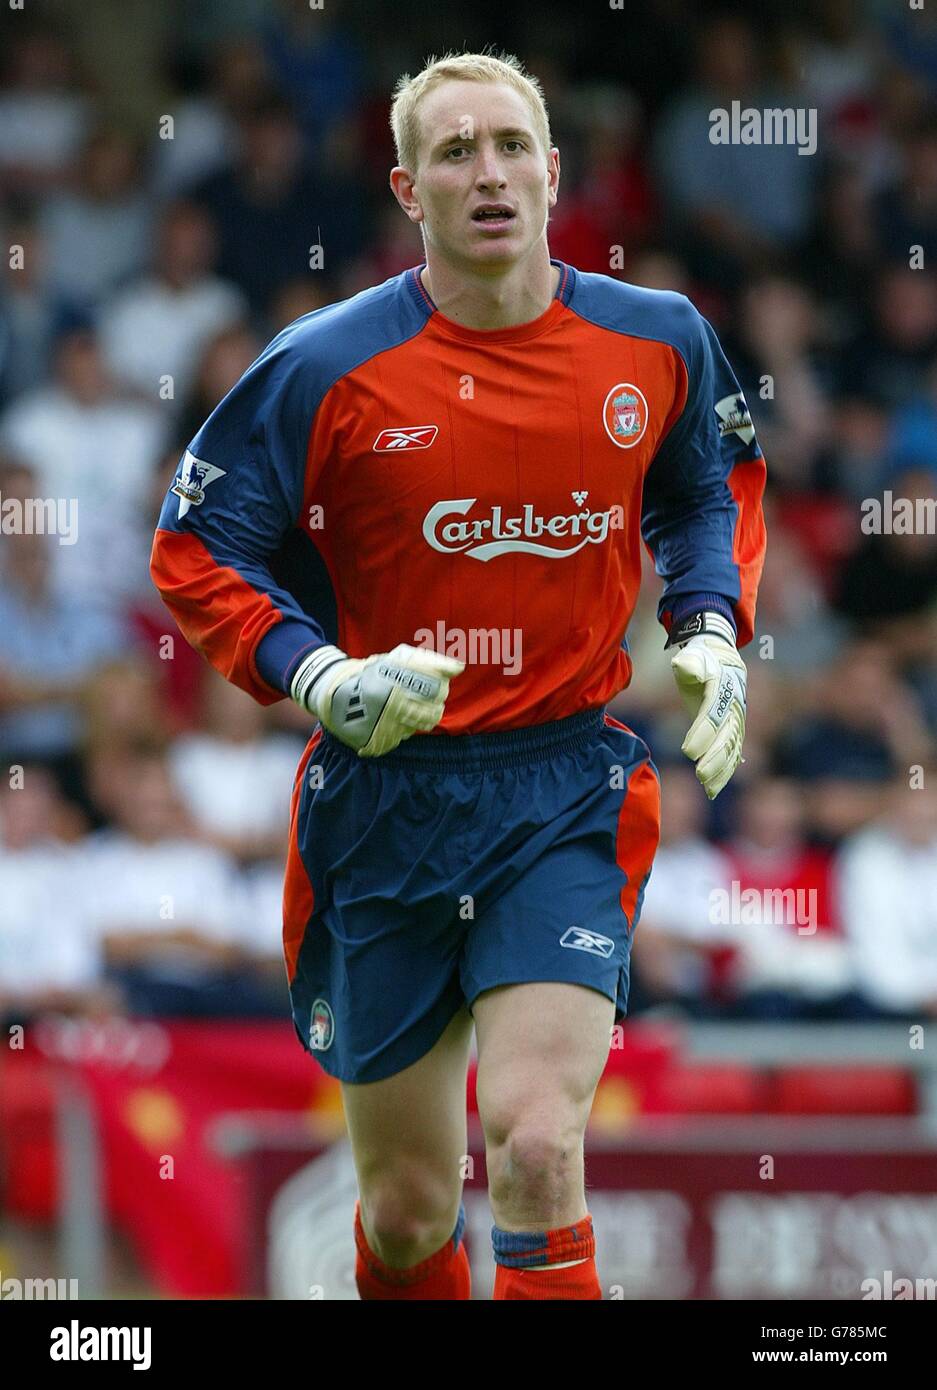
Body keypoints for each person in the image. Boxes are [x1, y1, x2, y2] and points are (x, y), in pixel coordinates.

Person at [150, 50, 766, 1300]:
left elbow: (705, 486)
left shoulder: (657, 338)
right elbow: (194, 545)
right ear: (407, 190)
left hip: (563, 789)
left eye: (508, 147)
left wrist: (706, 624)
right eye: (453, 152)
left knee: (538, 1148)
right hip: (386, 798)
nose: (486, 172)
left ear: (552, 171)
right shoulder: (325, 365)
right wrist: (317, 674)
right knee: (410, 1207)